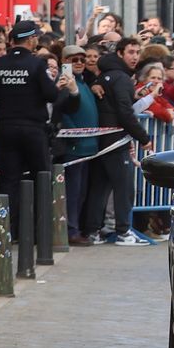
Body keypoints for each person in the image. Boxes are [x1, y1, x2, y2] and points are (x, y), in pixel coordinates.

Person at [0, 20, 74, 218]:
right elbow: (51, 95)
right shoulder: (36, 64)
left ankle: (6, 228)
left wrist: (6, 95)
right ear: (30, 40)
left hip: (7, 127)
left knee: (8, 181)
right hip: (33, 129)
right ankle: (40, 228)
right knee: (41, 179)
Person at [88, 36, 153, 246]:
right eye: (131, 52)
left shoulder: (105, 76)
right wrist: (143, 138)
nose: (135, 57)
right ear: (119, 53)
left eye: (137, 52)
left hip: (101, 140)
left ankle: (93, 231)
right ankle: (124, 232)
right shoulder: (121, 78)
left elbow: (117, 104)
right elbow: (124, 112)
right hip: (116, 141)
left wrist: (134, 96)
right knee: (124, 188)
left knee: (100, 187)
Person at [55, 45, 101, 245]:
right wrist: (74, 136)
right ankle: (70, 230)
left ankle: (75, 228)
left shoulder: (83, 82)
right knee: (72, 192)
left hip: (88, 147)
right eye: (75, 60)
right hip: (74, 147)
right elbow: (61, 112)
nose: (80, 63)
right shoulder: (64, 83)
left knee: (80, 192)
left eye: (82, 59)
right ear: (64, 61)